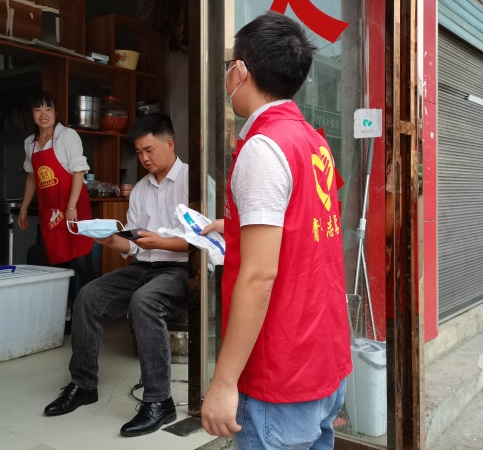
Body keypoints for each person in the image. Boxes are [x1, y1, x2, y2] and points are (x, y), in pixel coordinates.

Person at [200, 12, 352, 449]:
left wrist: (224, 382)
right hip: (322, 358)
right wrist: (233, 226)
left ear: (240, 71)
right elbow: (301, 225)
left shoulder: (263, 147)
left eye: (229, 65)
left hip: (279, 372)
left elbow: (259, 276)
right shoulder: (312, 140)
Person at [43, 113, 190, 438]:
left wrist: (161, 242)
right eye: (138, 152)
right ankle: (83, 385)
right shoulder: (140, 190)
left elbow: (202, 240)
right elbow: (133, 244)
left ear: (169, 144)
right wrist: (110, 240)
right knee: (88, 296)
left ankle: (159, 400)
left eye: (149, 150)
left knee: (145, 301)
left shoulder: (191, 181)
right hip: (143, 267)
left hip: (181, 270)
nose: (144, 158)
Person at [18, 92, 97, 330]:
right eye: (38, 110)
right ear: (32, 115)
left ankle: (95, 313)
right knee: (59, 263)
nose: (43, 115)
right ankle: (66, 316)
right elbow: (32, 177)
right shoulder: (29, 143)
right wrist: (23, 208)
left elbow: (78, 172)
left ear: (55, 112)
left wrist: (71, 206)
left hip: (74, 208)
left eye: (48, 109)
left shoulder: (67, 136)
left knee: (81, 260)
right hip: (50, 212)